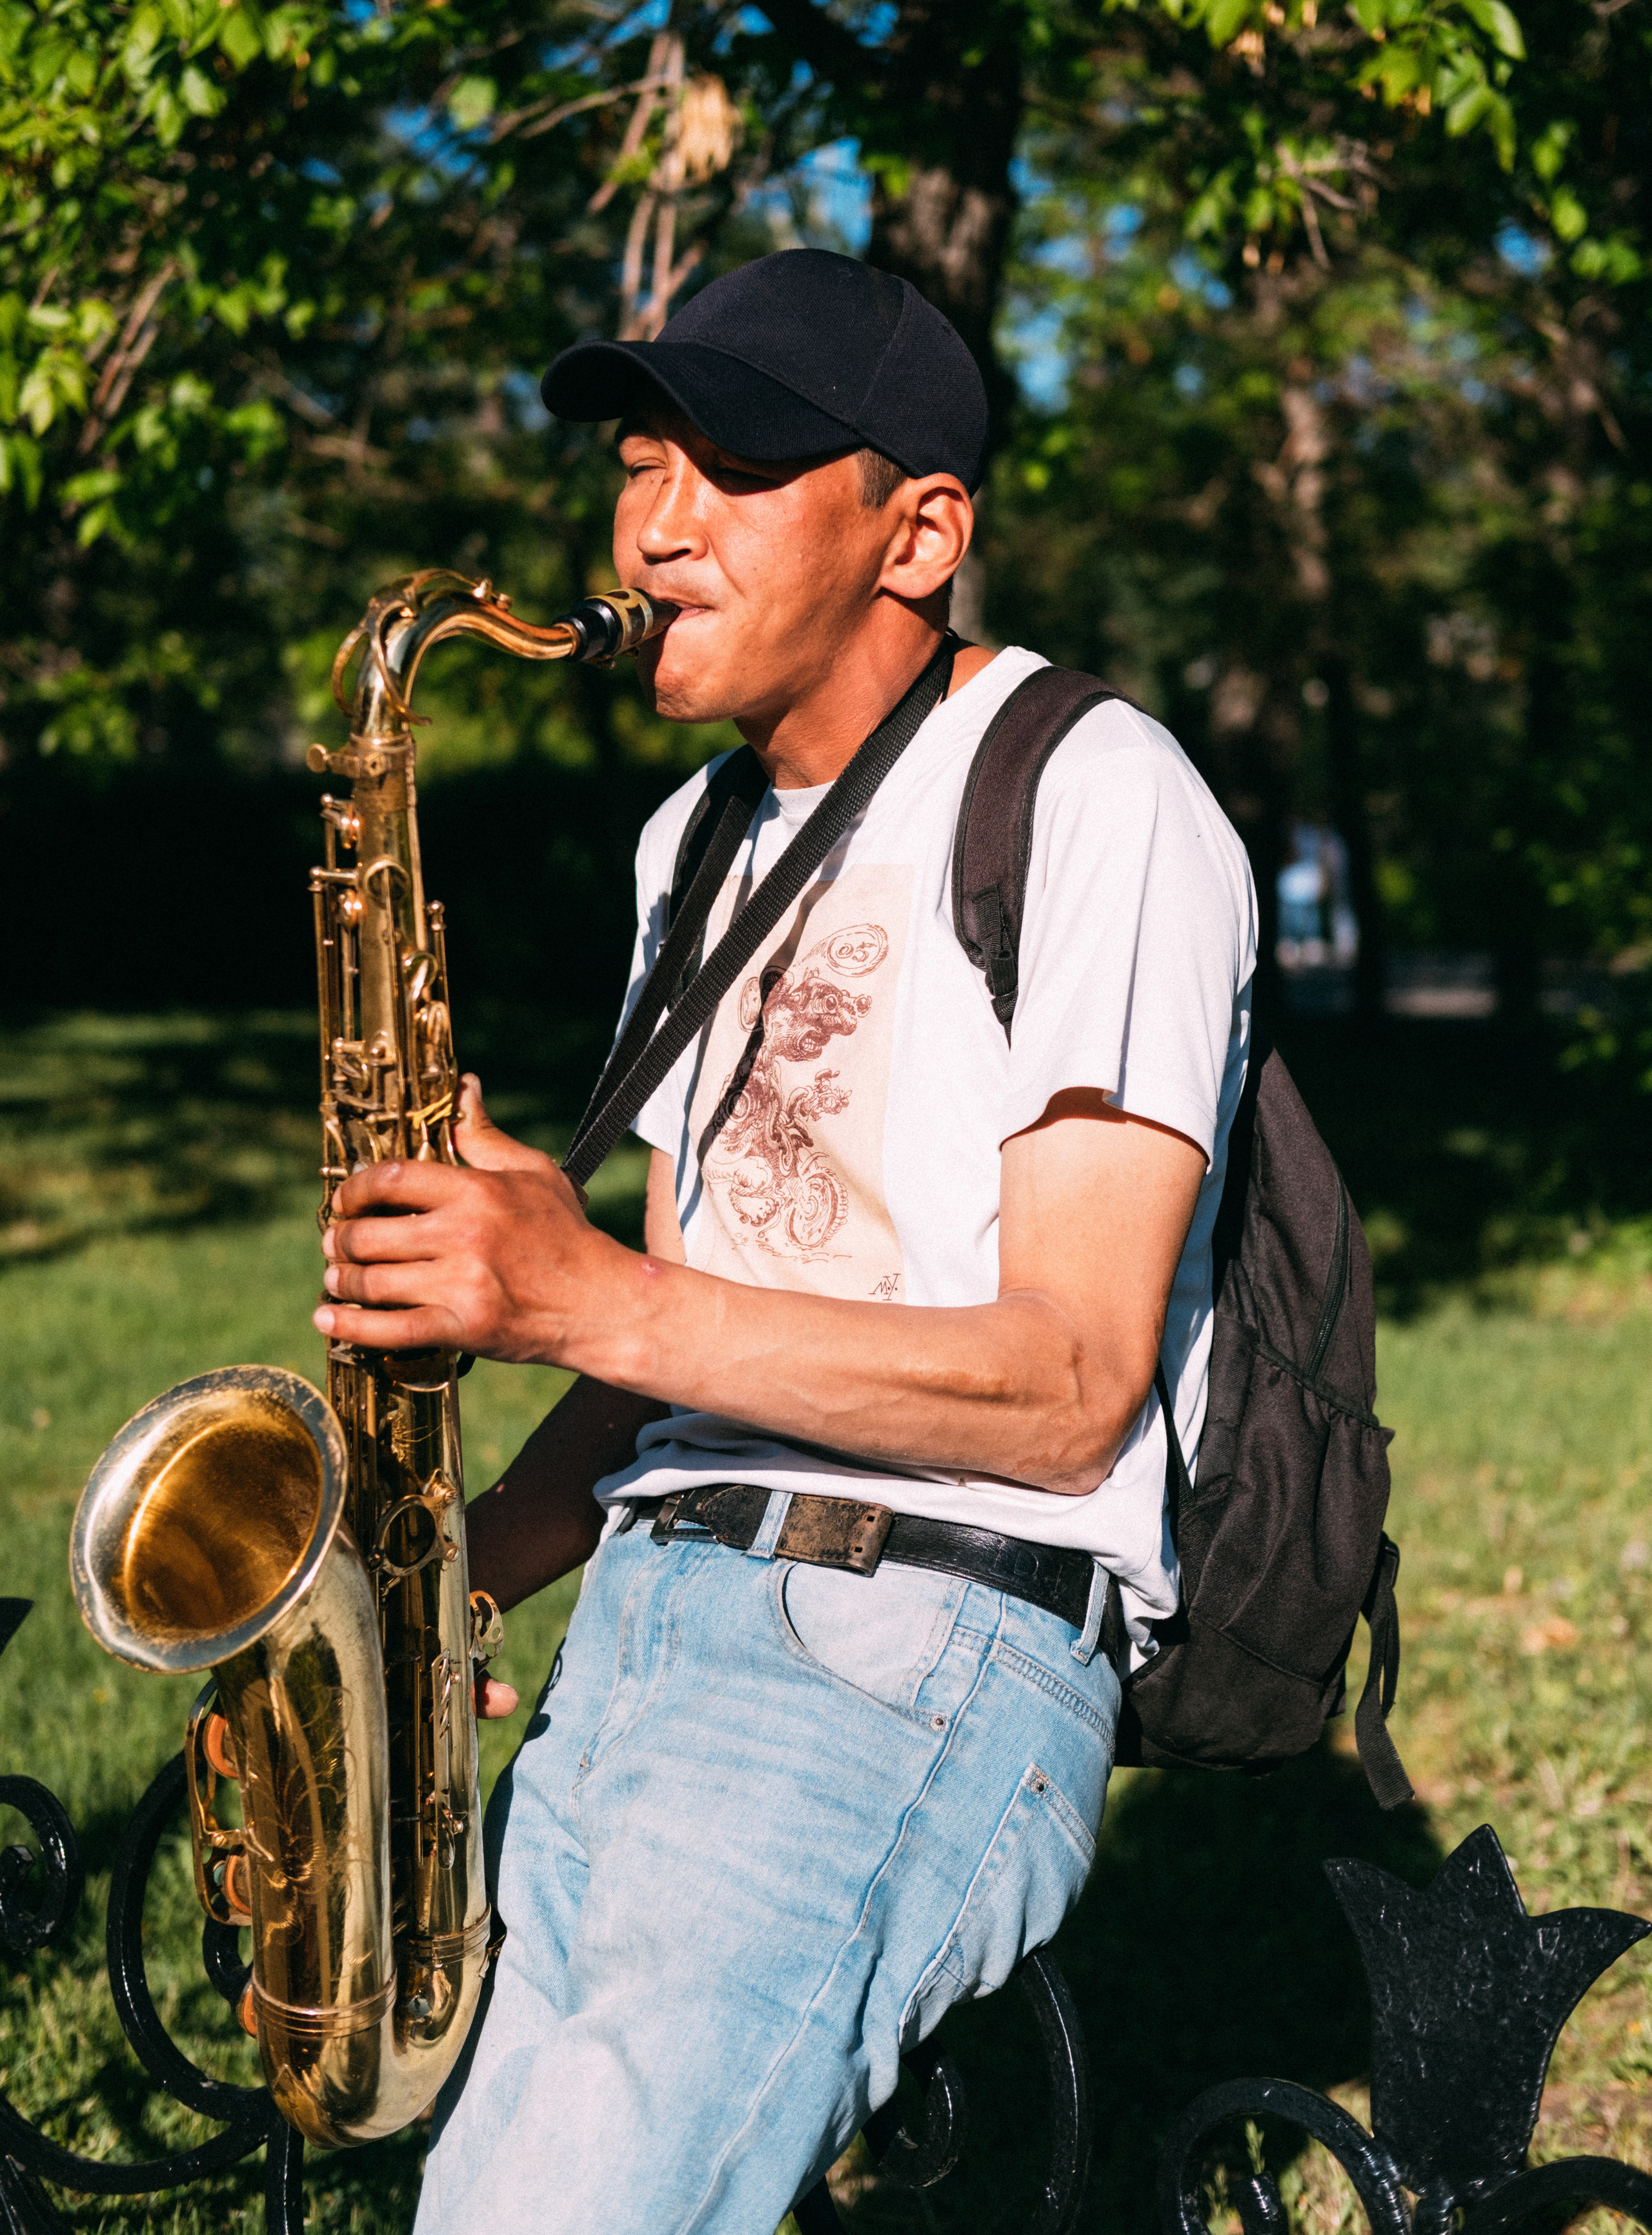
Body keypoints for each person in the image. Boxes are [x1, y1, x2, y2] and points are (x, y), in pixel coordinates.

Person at [312, 248, 1257, 2235]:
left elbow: (1075, 1390)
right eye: (636, 466)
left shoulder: (1095, 793)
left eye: (724, 471)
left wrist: (579, 1287)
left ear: (921, 529)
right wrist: (438, 1589)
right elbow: (676, 1332)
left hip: (915, 1637)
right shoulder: (698, 840)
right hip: (651, 1624)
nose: (650, 529)